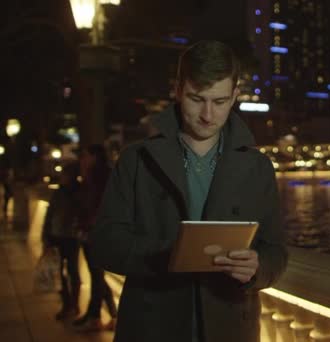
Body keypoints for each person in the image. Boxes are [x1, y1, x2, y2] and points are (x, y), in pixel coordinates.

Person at [88, 40, 287, 341]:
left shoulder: (258, 168)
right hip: (152, 325)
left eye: (220, 102)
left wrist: (257, 268)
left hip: (231, 325)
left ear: (235, 96)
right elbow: (103, 243)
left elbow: (276, 250)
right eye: (197, 99)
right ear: (178, 90)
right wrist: (168, 255)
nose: (208, 115)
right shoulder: (136, 160)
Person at [72, 144, 118, 331]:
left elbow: (95, 204)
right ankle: (112, 315)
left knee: (96, 274)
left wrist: (90, 226)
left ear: (95, 156)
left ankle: (94, 316)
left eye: (85, 155)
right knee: (97, 274)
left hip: (95, 232)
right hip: (91, 230)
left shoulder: (99, 177)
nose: (82, 158)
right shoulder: (94, 175)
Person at [41, 162, 82, 320]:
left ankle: (74, 304)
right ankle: (67, 304)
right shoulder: (59, 192)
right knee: (59, 273)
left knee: (72, 271)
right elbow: (50, 214)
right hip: (57, 236)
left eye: (66, 174)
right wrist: (46, 236)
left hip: (71, 237)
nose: (63, 177)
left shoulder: (78, 192)